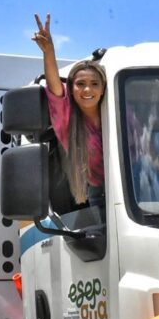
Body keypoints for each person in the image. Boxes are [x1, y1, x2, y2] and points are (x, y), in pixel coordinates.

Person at [32, 13, 107, 207]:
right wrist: (49, 51)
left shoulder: (119, 115)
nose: (88, 90)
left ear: (103, 88)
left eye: (94, 84)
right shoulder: (67, 119)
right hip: (102, 196)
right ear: (71, 90)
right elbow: (55, 88)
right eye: (80, 84)